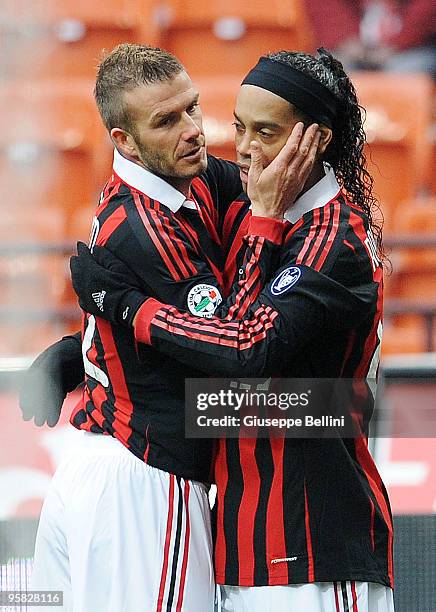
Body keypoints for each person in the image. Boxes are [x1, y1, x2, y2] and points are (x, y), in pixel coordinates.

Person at [70, 51, 394, 611]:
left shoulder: (333, 239)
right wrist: (88, 354)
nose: (239, 148)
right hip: (242, 549)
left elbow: (246, 351)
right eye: (239, 127)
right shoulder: (251, 201)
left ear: (314, 141)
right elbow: (233, 396)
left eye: (265, 133)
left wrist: (128, 313)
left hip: (315, 547)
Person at [21, 43, 317, 612]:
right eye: (166, 120)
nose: (193, 131)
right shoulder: (145, 227)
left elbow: (273, 184)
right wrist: (267, 220)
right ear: (122, 141)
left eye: (192, 109)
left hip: (99, 468)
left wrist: (85, 340)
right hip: (143, 480)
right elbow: (236, 349)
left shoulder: (189, 180)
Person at [305, 0, 436, 77]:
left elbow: (427, 10)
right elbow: (325, 6)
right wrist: (345, 40)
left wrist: (398, 44)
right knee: (324, 68)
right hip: (350, 49)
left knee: (406, 73)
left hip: (408, 50)